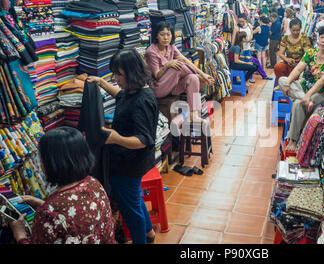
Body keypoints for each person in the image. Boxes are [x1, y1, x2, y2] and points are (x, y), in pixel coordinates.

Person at [86, 48, 158, 244]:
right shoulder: (134, 91)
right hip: (133, 161)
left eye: (119, 74)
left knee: (130, 207)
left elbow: (143, 140)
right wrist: (101, 82)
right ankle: (149, 233)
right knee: (133, 198)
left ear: (132, 73)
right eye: (114, 73)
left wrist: (116, 138)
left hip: (130, 163)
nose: (116, 78)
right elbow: (120, 95)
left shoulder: (142, 101)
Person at [8, 127, 116, 244]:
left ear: (50, 163)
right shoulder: (93, 184)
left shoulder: (47, 214)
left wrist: (20, 235)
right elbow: (78, 217)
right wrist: (43, 204)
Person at [279, 26, 324, 151]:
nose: (323, 41)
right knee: (283, 80)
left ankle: (293, 140)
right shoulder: (311, 53)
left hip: (320, 93)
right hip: (302, 89)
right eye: (322, 37)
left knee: (298, 103)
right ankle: (305, 100)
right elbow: (297, 69)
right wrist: (287, 84)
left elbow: (322, 81)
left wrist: (308, 96)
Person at [145, 22, 214, 122]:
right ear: (156, 35)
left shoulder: (171, 47)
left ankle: (194, 114)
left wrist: (202, 73)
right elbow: (156, 75)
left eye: (168, 34)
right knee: (177, 66)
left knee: (193, 78)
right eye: (162, 34)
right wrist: (168, 65)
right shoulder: (151, 51)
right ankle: (200, 77)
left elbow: (185, 60)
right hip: (159, 88)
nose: (165, 38)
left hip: (172, 86)